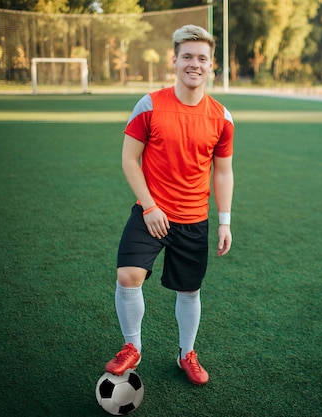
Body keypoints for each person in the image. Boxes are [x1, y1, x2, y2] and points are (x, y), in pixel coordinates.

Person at [104, 24, 234, 386]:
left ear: (212, 66)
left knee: (189, 290)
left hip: (194, 219)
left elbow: (223, 173)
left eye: (202, 58)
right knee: (128, 276)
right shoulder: (150, 105)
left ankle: (186, 354)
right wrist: (149, 206)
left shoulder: (222, 117)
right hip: (152, 213)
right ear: (174, 61)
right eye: (188, 57)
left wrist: (223, 221)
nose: (195, 64)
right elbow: (130, 159)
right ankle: (132, 346)